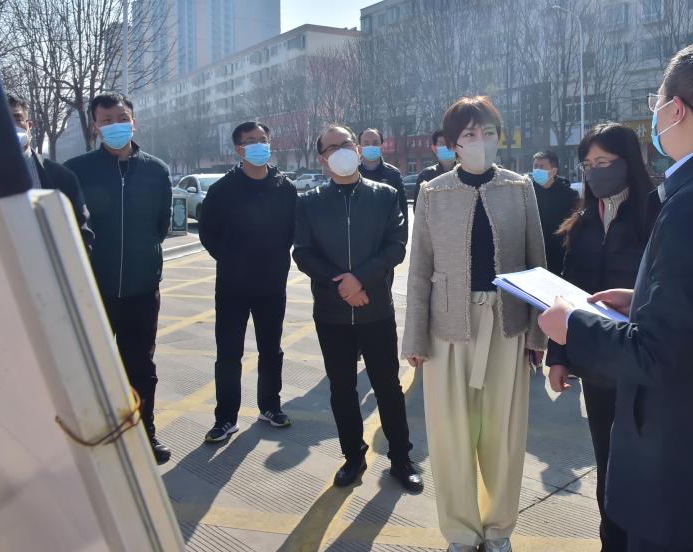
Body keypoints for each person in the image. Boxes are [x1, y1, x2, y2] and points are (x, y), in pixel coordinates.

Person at [539, 43, 693, 552]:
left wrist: (574, 325)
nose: (654, 114)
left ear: (676, 109)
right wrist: (643, 299)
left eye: (655, 101)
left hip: (683, 474)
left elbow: (658, 354)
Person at [401, 96, 547, 552]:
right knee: (450, 436)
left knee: (504, 434)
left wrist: (538, 334)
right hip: (448, 328)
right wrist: (414, 337)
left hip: (507, 326)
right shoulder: (433, 192)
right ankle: (461, 532)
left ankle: (499, 529)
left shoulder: (520, 188)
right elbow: (419, 270)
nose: (479, 141)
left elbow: (536, 264)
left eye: (487, 132)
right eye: (469, 134)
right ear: (452, 143)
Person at [292, 124, 422, 493]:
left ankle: (401, 458)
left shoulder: (385, 195)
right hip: (332, 314)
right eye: (331, 147)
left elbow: (396, 246)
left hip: (376, 309)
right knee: (342, 389)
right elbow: (303, 253)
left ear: (358, 148)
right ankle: (353, 456)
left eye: (346, 143)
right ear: (322, 159)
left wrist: (360, 279)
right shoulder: (309, 202)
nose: (342, 151)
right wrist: (343, 287)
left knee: (388, 387)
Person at [546, 123, 658, 552]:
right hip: (596, 363)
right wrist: (559, 355)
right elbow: (567, 292)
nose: (594, 172)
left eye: (604, 162)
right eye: (588, 164)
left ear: (628, 163)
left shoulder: (657, 213)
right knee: (607, 462)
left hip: (641, 359)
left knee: (644, 468)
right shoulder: (583, 221)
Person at [65, 92, 173, 465]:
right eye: (106, 120)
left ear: (134, 121)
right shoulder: (76, 171)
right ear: (95, 126)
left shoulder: (156, 170)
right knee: (90, 366)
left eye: (122, 117)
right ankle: (91, 439)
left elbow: (161, 226)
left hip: (142, 289)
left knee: (141, 367)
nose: (115, 125)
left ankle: (145, 435)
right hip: (93, 289)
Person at [198, 121, 297, 443]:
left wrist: (274, 259)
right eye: (251, 140)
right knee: (229, 353)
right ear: (239, 149)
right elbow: (207, 233)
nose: (258, 145)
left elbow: (293, 230)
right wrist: (232, 259)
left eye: (263, 139)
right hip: (232, 286)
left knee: (271, 349)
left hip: (272, 285)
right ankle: (225, 418)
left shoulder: (284, 187)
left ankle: (270, 406)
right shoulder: (222, 189)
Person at [8, 92, 93, 249]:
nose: (10, 126)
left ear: (29, 126)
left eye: (17, 119)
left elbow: (81, 234)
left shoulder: (62, 177)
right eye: (1, 120)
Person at [530, 150, 580, 274]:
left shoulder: (569, 195)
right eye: (535, 166)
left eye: (541, 166)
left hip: (559, 256)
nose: (537, 170)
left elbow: (573, 226)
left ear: (553, 171)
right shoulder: (528, 192)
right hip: (533, 254)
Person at [358, 127, 408, 229]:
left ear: (382, 147)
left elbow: (402, 210)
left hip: (387, 234)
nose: (371, 146)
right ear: (359, 149)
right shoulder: (353, 174)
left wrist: (402, 237)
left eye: (375, 143)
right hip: (359, 234)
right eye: (366, 144)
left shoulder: (393, 174)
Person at [413, 129, 456, 207]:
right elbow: (418, 208)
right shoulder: (426, 176)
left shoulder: (466, 173)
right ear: (434, 148)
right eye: (442, 143)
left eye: (449, 144)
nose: (446, 147)